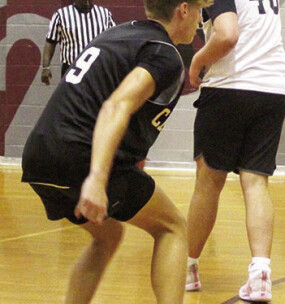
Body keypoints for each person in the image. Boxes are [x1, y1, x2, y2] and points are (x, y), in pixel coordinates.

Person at [21, 0, 211, 302]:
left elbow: (107, 101)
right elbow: (116, 105)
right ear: (183, 10)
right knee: (172, 227)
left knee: (108, 236)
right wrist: (96, 179)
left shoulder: (120, 35)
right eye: (200, 11)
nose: (201, 20)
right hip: (80, 155)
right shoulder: (163, 53)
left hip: (39, 155)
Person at [185, 0, 285, 301]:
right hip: (273, 88)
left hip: (230, 86)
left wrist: (197, 60)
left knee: (208, 182)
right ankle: (260, 274)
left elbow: (227, 35)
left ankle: (188, 267)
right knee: (256, 182)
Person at [41, 0, 115, 85]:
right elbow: (50, 42)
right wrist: (45, 67)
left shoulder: (104, 14)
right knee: (71, 98)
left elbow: (113, 41)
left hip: (97, 69)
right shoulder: (61, 15)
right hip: (72, 70)